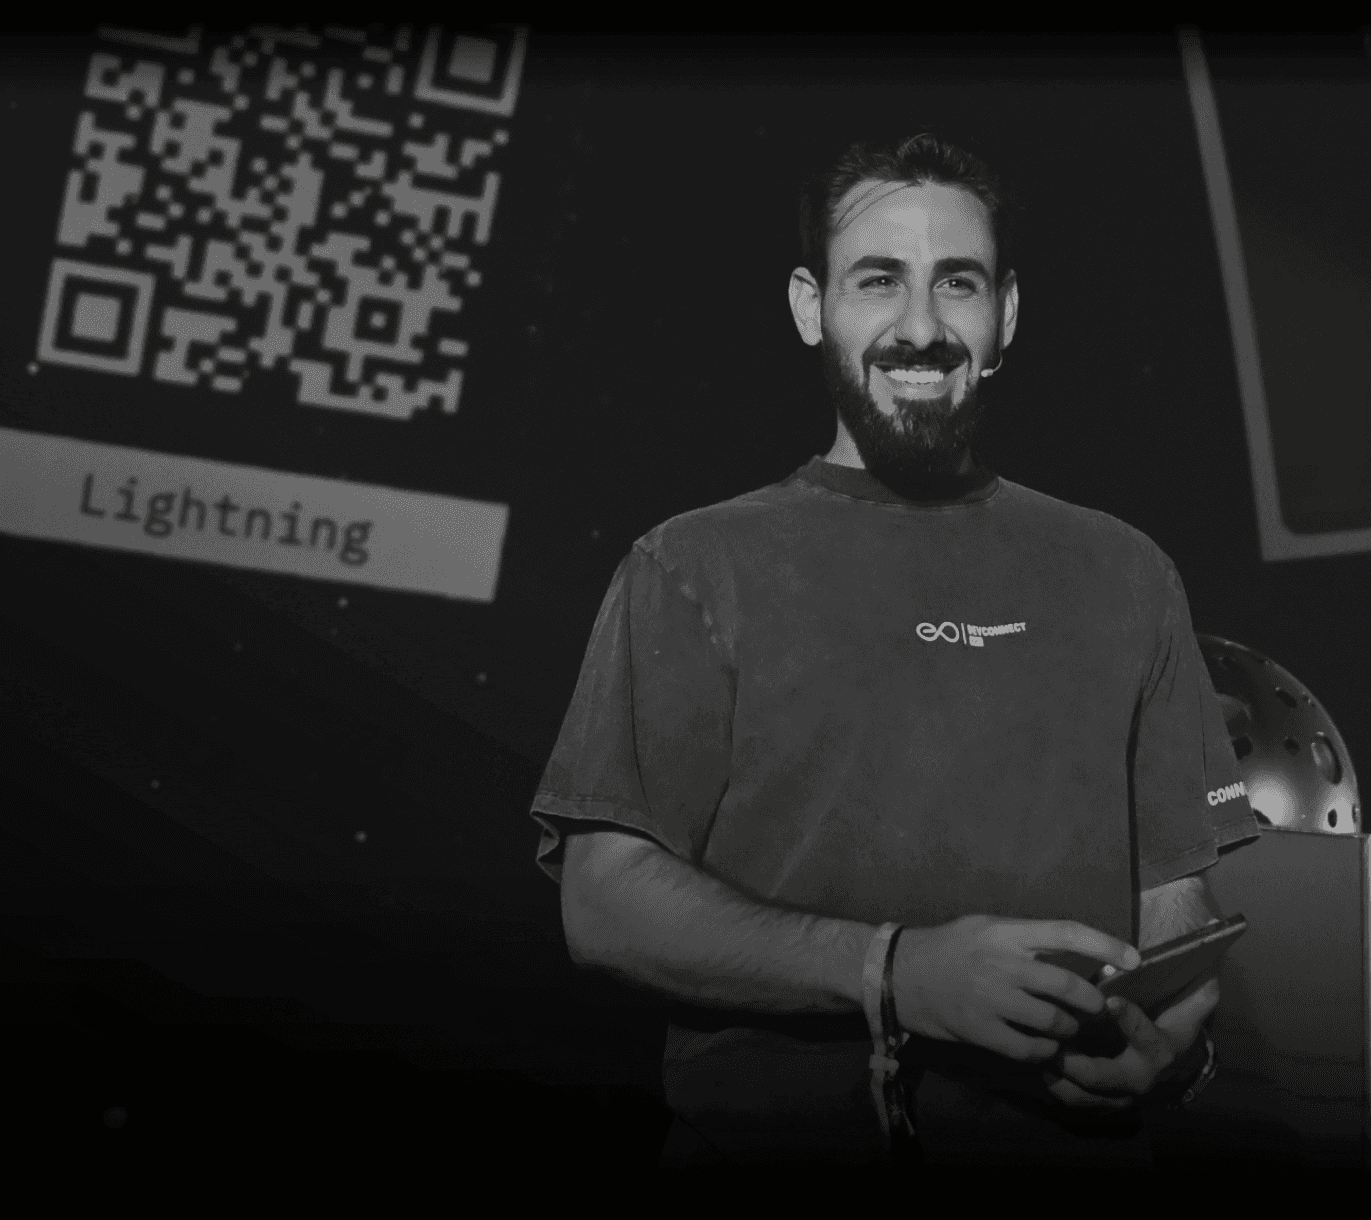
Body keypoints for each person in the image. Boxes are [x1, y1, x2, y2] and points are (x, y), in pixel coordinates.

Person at [528, 133, 1258, 1167]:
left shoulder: (1128, 572)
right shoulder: (690, 565)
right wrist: (896, 972)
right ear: (809, 306)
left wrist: (1169, 1032)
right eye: (877, 280)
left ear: (1004, 315)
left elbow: (1174, 891)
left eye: (957, 283)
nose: (920, 327)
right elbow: (602, 902)